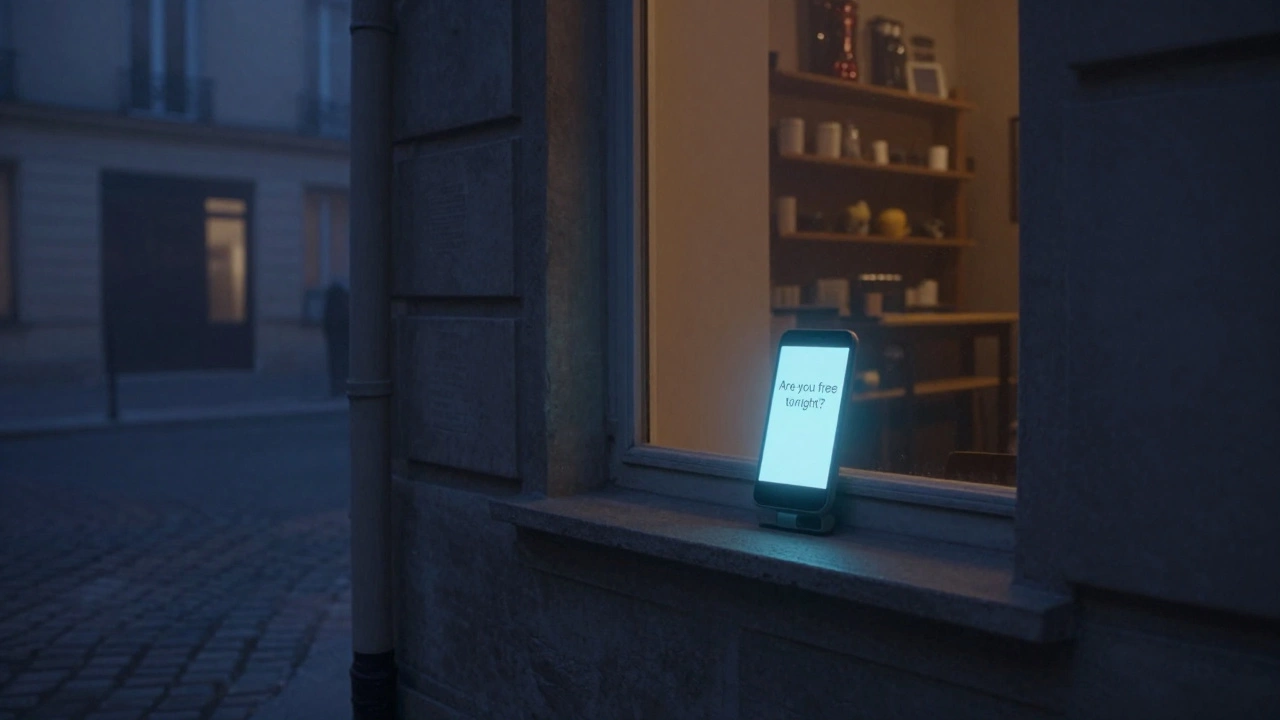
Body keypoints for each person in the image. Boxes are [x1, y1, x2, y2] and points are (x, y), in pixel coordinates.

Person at [322, 281, 350, 398]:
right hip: (342, 343)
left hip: (335, 343)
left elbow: (326, 325)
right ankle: (340, 387)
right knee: (342, 364)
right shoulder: (344, 307)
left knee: (336, 365)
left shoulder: (331, 309)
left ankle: (337, 388)